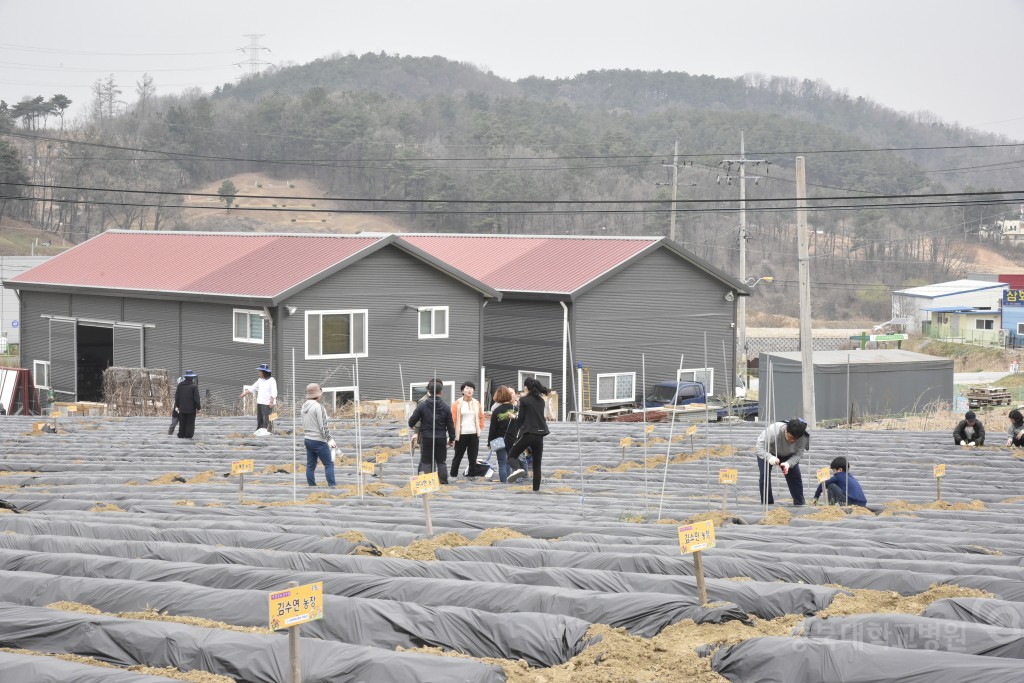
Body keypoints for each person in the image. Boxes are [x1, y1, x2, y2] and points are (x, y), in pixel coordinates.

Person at [408, 379, 456, 484]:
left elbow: (411, 421)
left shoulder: (422, 405)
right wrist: (452, 438)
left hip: (426, 437)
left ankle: (429, 483)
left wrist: (412, 426)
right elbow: (450, 425)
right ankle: (443, 482)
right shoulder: (446, 407)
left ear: (429, 391)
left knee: (426, 462)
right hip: (441, 438)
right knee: (441, 462)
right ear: (441, 392)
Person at [506, 378, 550, 490]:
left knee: (511, 456)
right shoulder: (541, 400)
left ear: (526, 387)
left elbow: (520, 419)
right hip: (540, 435)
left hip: (528, 434)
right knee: (537, 466)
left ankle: (517, 470)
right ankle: (536, 490)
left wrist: (516, 432)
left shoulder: (524, 400)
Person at [755, 418, 809, 506]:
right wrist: (770, 458)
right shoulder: (773, 431)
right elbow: (759, 447)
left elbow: (799, 454)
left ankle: (799, 504)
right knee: (764, 477)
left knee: (795, 478)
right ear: (786, 430)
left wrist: (788, 463)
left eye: (795, 439)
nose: (792, 441)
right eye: (790, 437)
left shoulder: (803, 437)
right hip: (768, 451)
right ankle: (767, 504)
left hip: (788, 454)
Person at [301, 383, 336, 487]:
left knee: (310, 466)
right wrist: (330, 440)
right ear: (317, 394)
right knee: (329, 464)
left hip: (307, 439)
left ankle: (311, 486)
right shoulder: (318, 407)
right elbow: (323, 426)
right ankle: (332, 486)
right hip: (319, 440)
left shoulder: (304, 406)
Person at [450, 381, 485, 478]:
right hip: (461, 434)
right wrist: (453, 435)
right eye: (467, 388)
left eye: (471, 388)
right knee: (458, 456)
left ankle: (472, 476)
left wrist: (480, 428)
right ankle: (453, 475)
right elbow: (454, 419)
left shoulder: (476, 403)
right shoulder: (457, 403)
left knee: (473, 458)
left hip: (474, 434)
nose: (469, 390)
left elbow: (481, 416)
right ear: (462, 391)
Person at [487, 386, 518, 482]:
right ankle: (512, 480)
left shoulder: (496, 411)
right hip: (512, 439)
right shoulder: (515, 408)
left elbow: (493, 429)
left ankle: (504, 483)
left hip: (499, 440)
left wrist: (489, 443)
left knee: (502, 463)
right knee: (510, 460)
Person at [239, 364, 277, 433]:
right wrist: (244, 394)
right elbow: (253, 388)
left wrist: (271, 402)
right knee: (260, 419)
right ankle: (259, 431)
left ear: (264, 372)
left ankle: (268, 431)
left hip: (268, 404)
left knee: (268, 419)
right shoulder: (260, 380)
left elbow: (274, 392)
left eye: (260, 371)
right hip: (260, 402)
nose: (259, 373)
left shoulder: (272, 380)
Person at [173, 370, 201, 439]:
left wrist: (177, 405)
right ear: (191, 378)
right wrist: (198, 407)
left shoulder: (180, 385)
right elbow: (196, 398)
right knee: (190, 423)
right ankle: (188, 436)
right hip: (191, 409)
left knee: (182, 423)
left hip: (182, 409)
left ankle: (181, 435)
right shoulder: (194, 386)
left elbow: (177, 397)